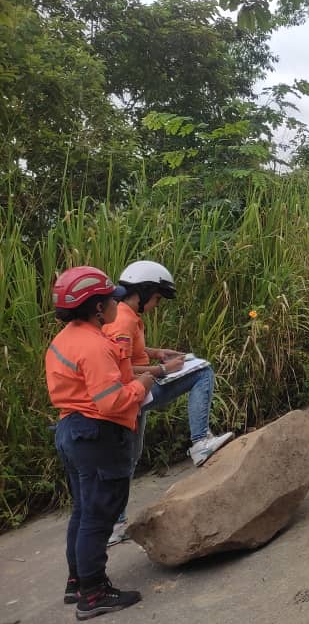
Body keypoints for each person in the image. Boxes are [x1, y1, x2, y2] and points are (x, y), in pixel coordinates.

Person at [46, 266, 152, 619]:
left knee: (82, 510)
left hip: (71, 430)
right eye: (110, 300)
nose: (115, 306)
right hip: (96, 436)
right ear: (95, 308)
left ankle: (77, 582)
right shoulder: (92, 345)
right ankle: (93, 593)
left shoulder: (66, 338)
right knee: (98, 514)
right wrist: (144, 384)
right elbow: (112, 401)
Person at [103, 260, 233, 545]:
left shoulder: (124, 315)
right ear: (145, 291)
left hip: (131, 396)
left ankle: (116, 524)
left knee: (128, 461)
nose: (157, 304)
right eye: (157, 298)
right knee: (203, 369)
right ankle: (200, 442)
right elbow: (118, 369)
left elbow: (129, 354)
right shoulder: (123, 320)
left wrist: (157, 352)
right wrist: (163, 369)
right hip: (135, 391)